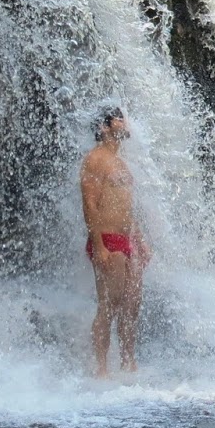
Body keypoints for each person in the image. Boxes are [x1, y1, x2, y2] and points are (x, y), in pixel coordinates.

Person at [80, 107, 151, 377]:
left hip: (127, 240)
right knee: (110, 304)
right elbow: (89, 204)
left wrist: (140, 239)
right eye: (119, 118)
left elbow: (125, 207)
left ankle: (128, 364)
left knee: (132, 305)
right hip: (107, 240)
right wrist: (98, 245)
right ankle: (101, 370)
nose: (126, 122)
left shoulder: (120, 161)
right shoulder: (95, 159)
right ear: (104, 127)